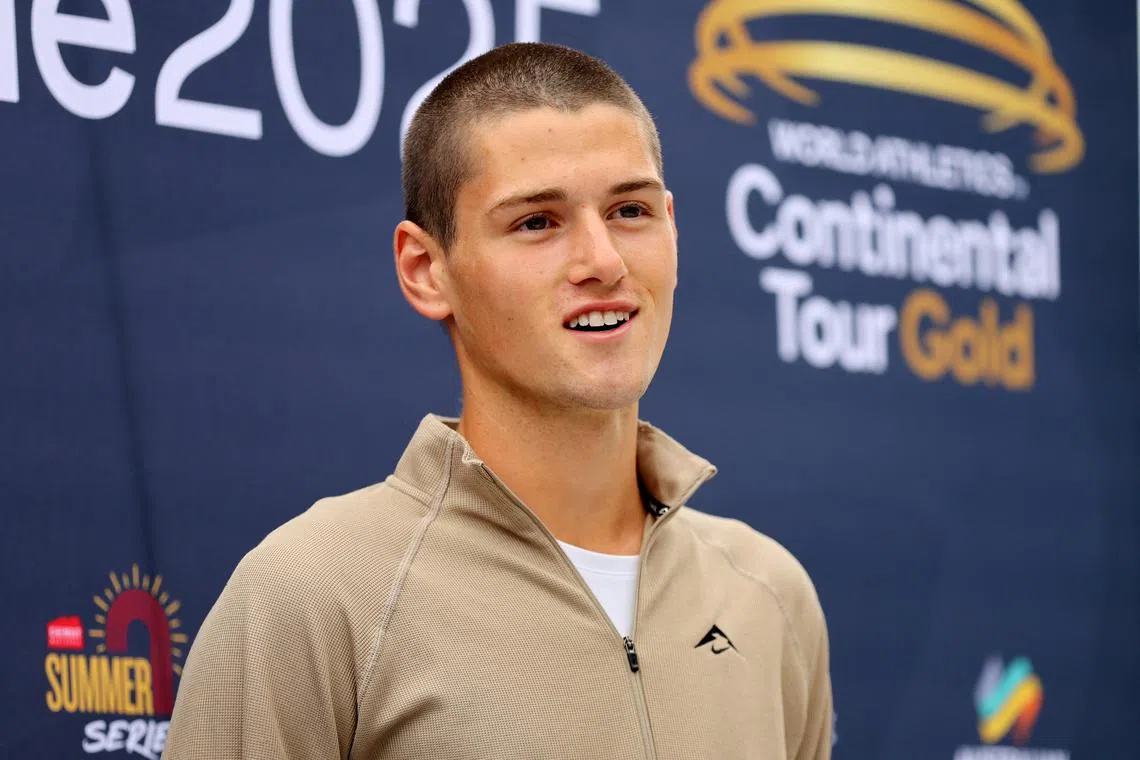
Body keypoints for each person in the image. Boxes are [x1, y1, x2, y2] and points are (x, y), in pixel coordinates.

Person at [164, 42, 832, 760]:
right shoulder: (313, 597)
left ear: (673, 228)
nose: (603, 261)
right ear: (426, 271)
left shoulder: (768, 594)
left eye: (630, 210)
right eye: (537, 222)